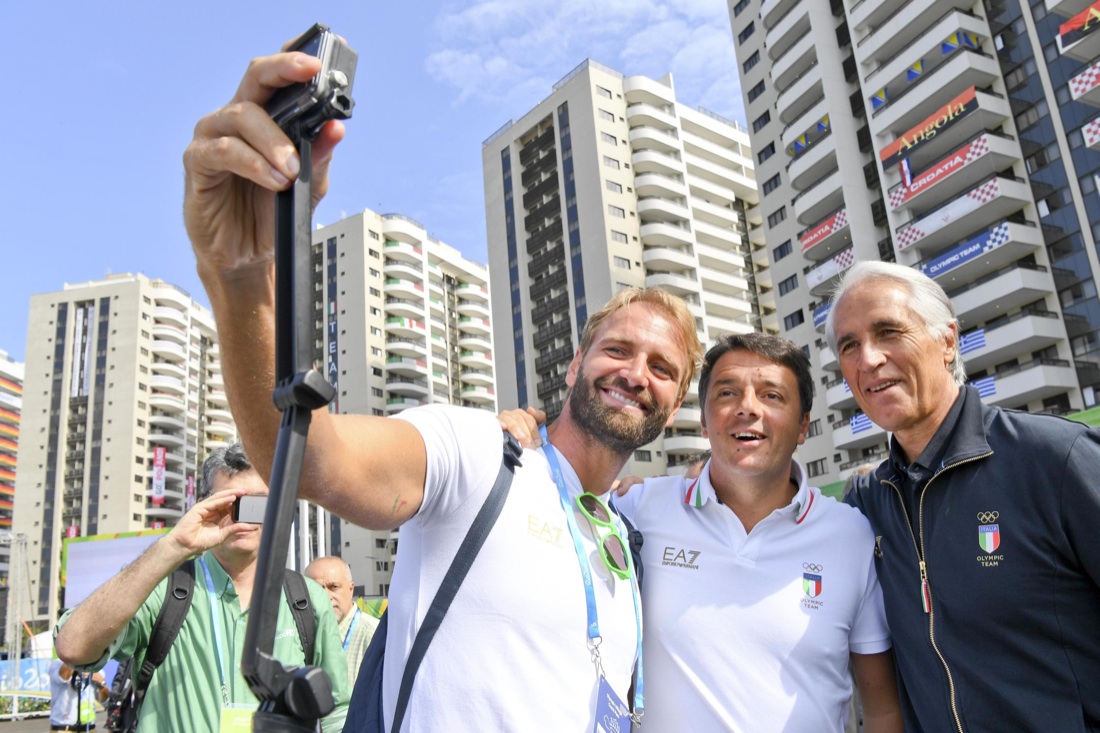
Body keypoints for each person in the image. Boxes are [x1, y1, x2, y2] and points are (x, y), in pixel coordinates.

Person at [182, 44, 702, 726]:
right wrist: (240, 276)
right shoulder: (479, 452)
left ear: (676, 400)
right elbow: (312, 459)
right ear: (575, 364)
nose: (636, 374)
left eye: (663, 368)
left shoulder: (627, 540)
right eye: (619, 350)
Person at [517, 333, 902, 731]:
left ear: (803, 426)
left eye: (772, 396)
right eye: (727, 393)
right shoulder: (637, 508)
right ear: (703, 420)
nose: (747, 408)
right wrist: (521, 436)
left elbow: (881, 710)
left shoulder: (850, 534)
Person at [826, 260, 1100, 732]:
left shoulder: (1054, 458)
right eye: (850, 345)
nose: (867, 358)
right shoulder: (865, 506)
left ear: (947, 341)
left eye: (888, 331)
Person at [53, 444, 350, 732]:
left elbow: (337, 711)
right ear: (202, 505)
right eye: (227, 503)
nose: (242, 517)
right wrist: (174, 546)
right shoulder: (162, 590)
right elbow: (73, 648)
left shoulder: (307, 599)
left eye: (256, 504)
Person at [305, 556, 379, 683]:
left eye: (334, 587)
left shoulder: (374, 635)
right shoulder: (299, 636)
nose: (326, 596)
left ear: (351, 589)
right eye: (316, 589)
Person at [49, 657, 109, 732]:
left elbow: (105, 700)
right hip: (64, 728)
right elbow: (63, 677)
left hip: (88, 728)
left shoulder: (94, 667)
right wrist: (77, 657)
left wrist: (101, 683)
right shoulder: (57, 664)